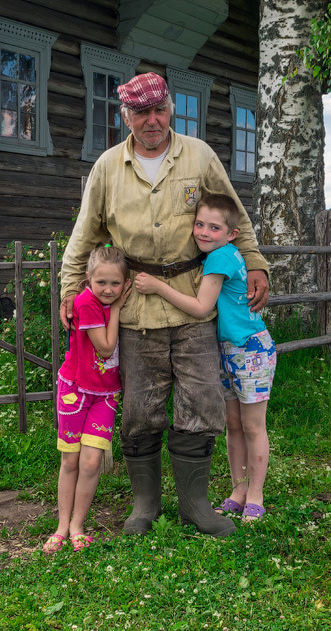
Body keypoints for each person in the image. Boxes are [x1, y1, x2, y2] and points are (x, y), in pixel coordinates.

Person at [59, 72, 270, 538]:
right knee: (139, 408)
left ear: (170, 107)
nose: (152, 120)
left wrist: (254, 262)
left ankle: (196, 506)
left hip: (195, 302)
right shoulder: (108, 168)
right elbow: (84, 235)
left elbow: (236, 214)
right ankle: (145, 506)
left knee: (201, 402)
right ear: (126, 116)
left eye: (159, 109)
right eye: (141, 112)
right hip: (135, 309)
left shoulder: (199, 156)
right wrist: (70, 289)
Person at [133, 193, 276, 524]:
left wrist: (157, 286)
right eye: (199, 224)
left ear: (232, 234)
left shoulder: (220, 258)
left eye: (214, 227)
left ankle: (256, 495)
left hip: (249, 350)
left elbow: (201, 307)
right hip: (228, 350)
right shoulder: (221, 253)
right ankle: (239, 491)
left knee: (253, 426)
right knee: (234, 426)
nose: (203, 232)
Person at [44, 245, 132, 553]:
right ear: (87, 279)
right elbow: (106, 349)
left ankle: (78, 525)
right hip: (75, 391)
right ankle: (61, 526)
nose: (108, 290)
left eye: (115, 284)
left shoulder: (113, 300)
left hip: (106, 394)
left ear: (125, 282)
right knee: (70, 460)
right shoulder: (87, 304)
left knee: (92, 461)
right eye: (101, 283)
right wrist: (118, 308)